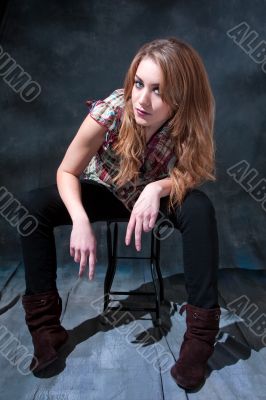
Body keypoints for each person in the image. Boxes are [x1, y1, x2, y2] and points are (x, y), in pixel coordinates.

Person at [18, 37, 221, 390]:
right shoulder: (112, 110)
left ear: (181, 97)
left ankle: (199, 343)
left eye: (158, 90)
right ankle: (47, 330)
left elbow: (193, 171)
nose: (142, 99)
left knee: (200, 207)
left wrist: (156, 189)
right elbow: (67, 171)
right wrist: (80, 219)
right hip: (106, 191)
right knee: (34, 205)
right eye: (139, 83)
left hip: (152, 199)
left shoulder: (188, 122)